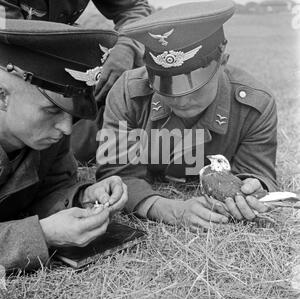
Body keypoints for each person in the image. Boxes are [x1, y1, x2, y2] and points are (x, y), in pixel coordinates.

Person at [96, 0, 278, 230]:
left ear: (223, 60)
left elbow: (257, 173)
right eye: (166, 87)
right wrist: (164, 208)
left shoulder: (255, 106)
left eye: (195, 87)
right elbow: (115, 175)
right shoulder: (127, 93)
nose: (180, 100)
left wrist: (252, 188)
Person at [0, 19, 127, 272]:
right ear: (2, 95)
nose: (67, 128)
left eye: (73, 114)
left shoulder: (47, 135)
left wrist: (82, 197)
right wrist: (43, 235)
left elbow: (49, 188)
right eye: (51, 110)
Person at [0, 0, 152, 162]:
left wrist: (127, 47)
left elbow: (133, 8)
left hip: (63, 64)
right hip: (21, 72)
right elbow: (9, 41)